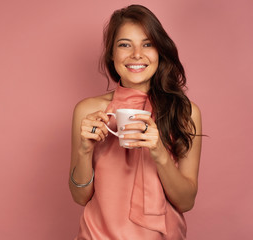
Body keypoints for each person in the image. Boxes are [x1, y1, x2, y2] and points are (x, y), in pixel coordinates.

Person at [68, 4, 202, 240]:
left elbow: (186, 201)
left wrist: (159, 152)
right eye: (124, 44)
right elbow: (79, 197)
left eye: (147, 44)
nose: (136, 54)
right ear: (112, 53)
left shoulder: (185, 112)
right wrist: (84, 150)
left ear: (160, 51)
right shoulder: (88, 110)